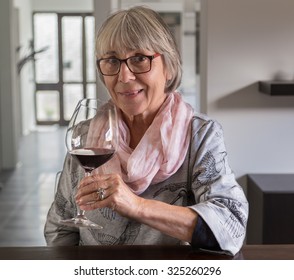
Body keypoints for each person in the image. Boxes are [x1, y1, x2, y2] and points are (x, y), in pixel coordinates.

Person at [44, 6, 248, 255]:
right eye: (112, 61)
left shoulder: (200, 135)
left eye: (140, 58)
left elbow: (231, 226)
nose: (125, 76)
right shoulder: (84, 137)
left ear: (169, 66)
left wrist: (137, 206)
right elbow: (60, 230)